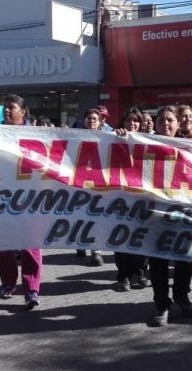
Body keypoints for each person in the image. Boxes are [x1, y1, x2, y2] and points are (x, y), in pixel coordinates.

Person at [116, 105, 192, 326]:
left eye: (170, 120)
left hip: (184, 213)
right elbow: (122, 162)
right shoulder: (142, 144)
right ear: (155, 123)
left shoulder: (191, 147)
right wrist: (121, 140)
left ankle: (181, 294)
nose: (166, 124)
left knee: (186, 259)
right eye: (161, 120)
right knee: (158, 262)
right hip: (154, 214)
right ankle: (161, 304)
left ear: (178, 124)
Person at [0, 94, 44, 310]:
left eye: (11, 107)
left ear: (23, 112)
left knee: (30, 246)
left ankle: (31, 289)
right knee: (4, 246)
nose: (6, 111)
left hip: (30, 198)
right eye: (4, 108)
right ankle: (8, 283)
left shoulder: (36, 135)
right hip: (1, 197)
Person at [112, 109, 151, 292]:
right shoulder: (114, 138)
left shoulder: (148, 140)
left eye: (136, 121)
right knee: (121, 239)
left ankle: (141, 272)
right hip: (120, 198)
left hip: (142, 197)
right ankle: (124, 276)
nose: (132, 124)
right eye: (128, 120)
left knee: (140, 238)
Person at [75, 108, 106, 266]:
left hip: (98, 184)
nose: (91, 121)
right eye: (89, 118)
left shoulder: (107, 138)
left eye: (94, 118)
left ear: (100, 122)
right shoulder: (76, 137)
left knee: (96, 218)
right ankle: (80, 243)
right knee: (82, 216)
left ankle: (96, 252)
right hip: (80, 182)